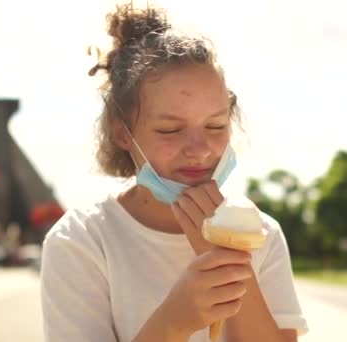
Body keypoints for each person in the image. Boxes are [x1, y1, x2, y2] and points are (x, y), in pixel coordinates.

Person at [40, 4, 308, 342]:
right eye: (169, 130)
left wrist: (226, 258)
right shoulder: (81, 241)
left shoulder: (263, 234)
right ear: (122, 131)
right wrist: (175, 320)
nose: (199, 150)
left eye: (215, 125)